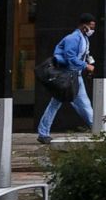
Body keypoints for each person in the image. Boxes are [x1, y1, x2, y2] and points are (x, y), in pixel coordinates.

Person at [37, 13, 96, 144]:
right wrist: (86, 66)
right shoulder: (73, 38)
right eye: (91, 26)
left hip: (73, 76)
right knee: (82, 105)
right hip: (67, 77)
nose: (92, 29)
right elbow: (71, 59)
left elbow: (81, 56)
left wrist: (86, 63)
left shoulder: (83, 38)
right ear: (84, 26)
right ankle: (99, 130)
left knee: (79, 105)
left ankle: (43, 133)